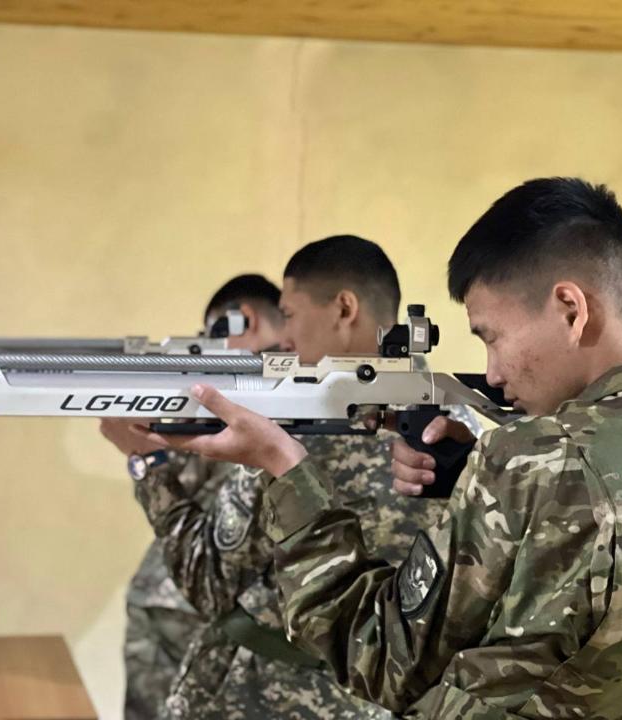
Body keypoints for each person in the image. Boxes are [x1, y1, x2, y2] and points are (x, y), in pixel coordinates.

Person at [150, 179, 622, 719]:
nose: (493, 373)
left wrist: (284, 467)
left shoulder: (533, 460)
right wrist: (481, 478)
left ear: (571, 309)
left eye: (492, 337)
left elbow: (380, 656)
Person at [127, 235, 479, 719]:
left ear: (344, 308)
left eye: (289, 314)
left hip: (263, 697)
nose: (284, 336)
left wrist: (146, 463)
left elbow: (208, 580)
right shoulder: (464, 431)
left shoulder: (297, 431)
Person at [101, 274, 283, 720]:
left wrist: (146, 460)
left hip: (206, 608)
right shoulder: (254, 391)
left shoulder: (266, 395)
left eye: (212, 336)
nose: (207, 351)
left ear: (244, 319)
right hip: (191, 603)